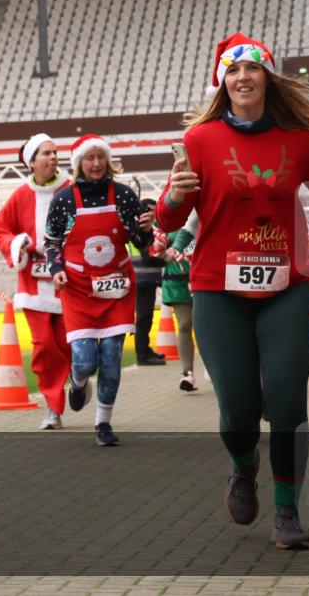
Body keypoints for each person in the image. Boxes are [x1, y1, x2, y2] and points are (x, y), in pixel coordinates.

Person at [156, 32, 309, 550]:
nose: (242, 78)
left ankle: (288, 512)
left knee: (289, 401)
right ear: (222, 83)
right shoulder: (200, 141)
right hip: (217, 292)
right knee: (240, 408)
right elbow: (168, 216)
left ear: (268, 78)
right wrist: (174, 198)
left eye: (251, 69)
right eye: (232, 71)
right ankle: (243, 469)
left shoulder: (299, 140)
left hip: (287, 287)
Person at [44, 135, 154, 446]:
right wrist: (57, 269)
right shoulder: (63, 200)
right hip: (78, 289)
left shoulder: (123, 195)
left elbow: (143, 244)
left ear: (107, 161)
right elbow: (51, 242)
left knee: (110, 358)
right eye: (89, 158)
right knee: (84, 360)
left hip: (117, 288)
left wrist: (146, 230)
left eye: (100, 158)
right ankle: (78, 382)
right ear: (79, 163)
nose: (95, 164)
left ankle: (103, 423)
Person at [0, 133, 73, 429]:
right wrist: (18, 243)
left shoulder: (71, 189)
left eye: (55, 152)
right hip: (33, 284)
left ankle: (75, 379)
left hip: (69, 282)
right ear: (32, 161)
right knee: (43, 346)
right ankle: (53, 407)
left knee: (69, 345)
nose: (53, 158)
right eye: (46, 153)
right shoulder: (20, 196)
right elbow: (1, 229)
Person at [154, 209, 201, 390]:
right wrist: (161, 250)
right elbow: (156, 245)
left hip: (207, 278)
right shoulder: (169, 212)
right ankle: (187, 373)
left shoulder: (206, 207)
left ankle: (213, 367)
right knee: (184, 324)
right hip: (178, 282)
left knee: (207, 326)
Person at [131, 197, 167, 366]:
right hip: (142, 279)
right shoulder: (140, 230)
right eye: (151, 209)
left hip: (147, 279)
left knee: (147, 317)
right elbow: (148, 258)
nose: (154, 213)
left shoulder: (147, 229)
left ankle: (145, 350)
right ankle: (143, 356)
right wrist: (166, 261)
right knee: (144, 318)